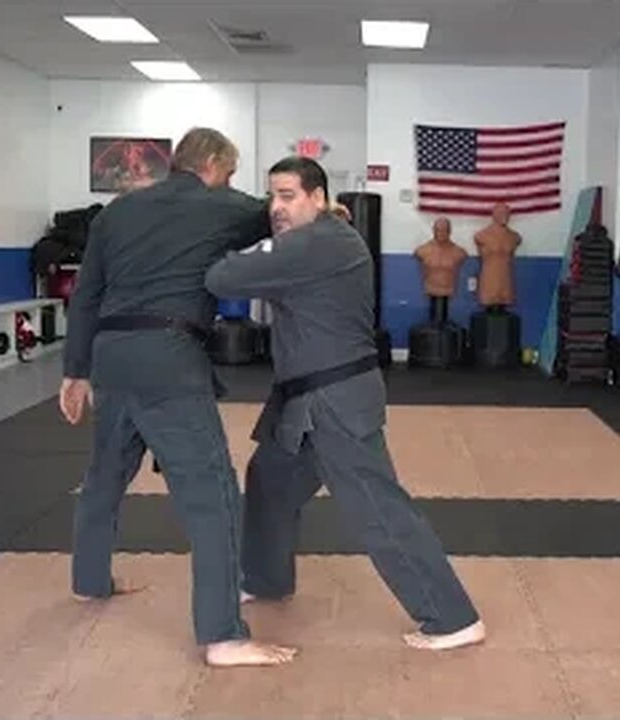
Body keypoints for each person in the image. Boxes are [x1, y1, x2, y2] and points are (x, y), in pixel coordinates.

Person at [206, 157, 485, 651]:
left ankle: (452, 617)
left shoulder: (316, 243)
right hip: (302, 401)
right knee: (269, 481)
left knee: (376, 505)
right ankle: (267, 578)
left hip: (333, 401)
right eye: (272, 196)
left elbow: (223, 278)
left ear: (317, 197)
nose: (277, 207)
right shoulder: (320, 240)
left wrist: (206, 231)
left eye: (288, 196)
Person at [60, 127, 297, 668]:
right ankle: (223, 636)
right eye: (230, 172)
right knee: (211, 495)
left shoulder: (114, 213)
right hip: (168, 356)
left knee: (104, 476)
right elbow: (277, 214)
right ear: (211, 163)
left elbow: (86, 295)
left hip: (110, 356)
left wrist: (75, 371)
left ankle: (88, 581)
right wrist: (329, 215)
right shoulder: (216, 204)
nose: (231, 182)